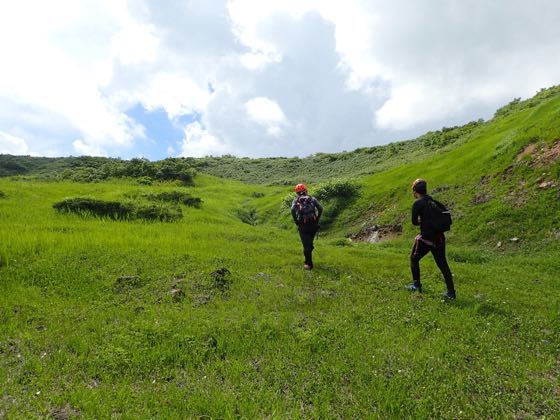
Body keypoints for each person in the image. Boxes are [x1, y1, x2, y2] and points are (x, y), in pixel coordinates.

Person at [407, 178, 456, 299]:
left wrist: (421, 220)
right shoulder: (434, 202)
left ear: (415, 191)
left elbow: (414, 222)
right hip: (439, 238)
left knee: (414, 259)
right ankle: (451, 293)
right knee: (443, 264)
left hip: (426, 238)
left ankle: (416, 285)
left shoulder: (418, 203)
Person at [291, 184, 323, 270]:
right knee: (309, 244)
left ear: (297, 193)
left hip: (303, 225)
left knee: (306, 246)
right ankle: (308, 258)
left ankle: (309, 264)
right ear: (306, 190)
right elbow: (320, 209)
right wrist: (317, 219)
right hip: (313, 225)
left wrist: (296, 221)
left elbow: (292, 210)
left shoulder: (296, 201)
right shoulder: (312, 199)